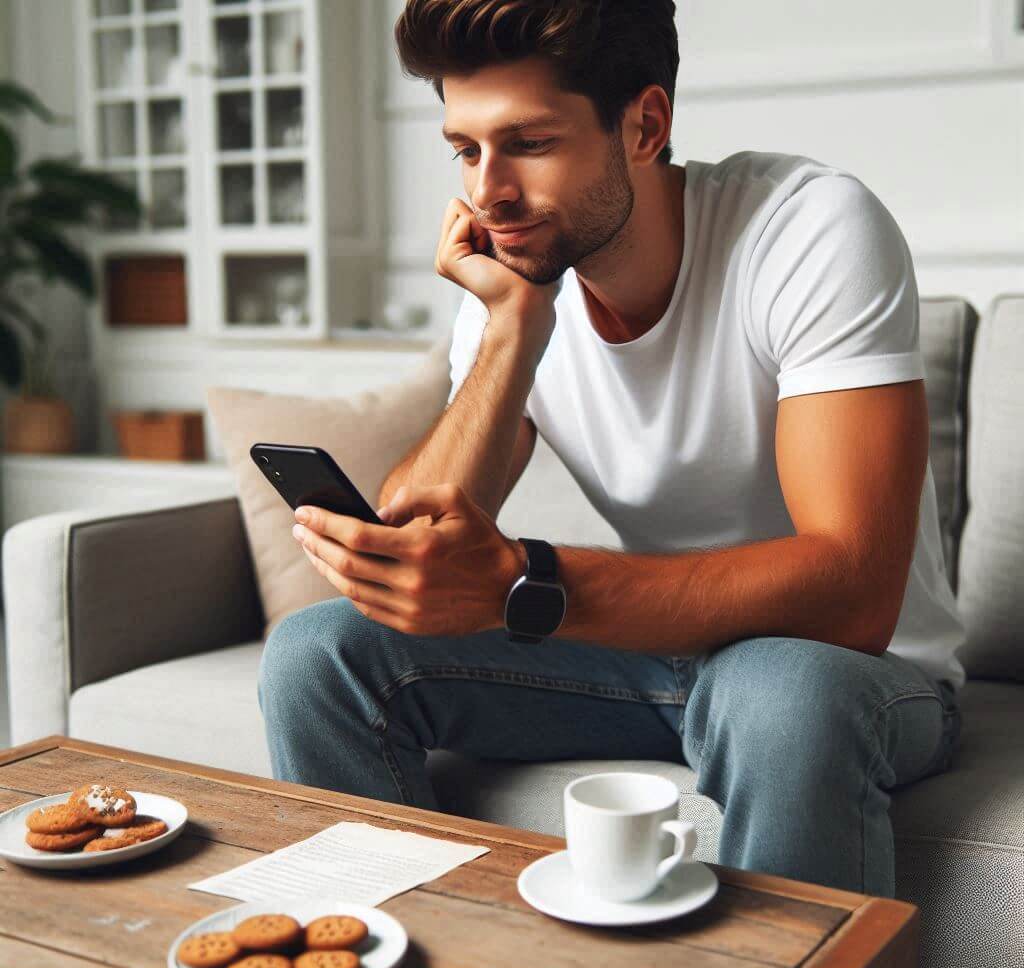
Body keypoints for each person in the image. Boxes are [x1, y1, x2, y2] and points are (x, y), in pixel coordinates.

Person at [259, 0, 964, 899]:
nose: (488, 192)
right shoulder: (513, 276)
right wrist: (511, 327)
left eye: (530, 143)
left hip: (851, 671)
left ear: (646, 124)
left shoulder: (808, 229)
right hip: (656, 651)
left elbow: (855, 593)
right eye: (466, 150)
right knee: (319, 655)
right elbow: (414, 555)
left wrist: (530, 582)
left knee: (778, 694)